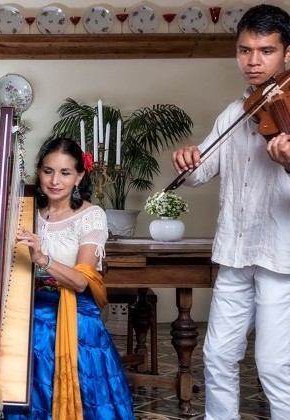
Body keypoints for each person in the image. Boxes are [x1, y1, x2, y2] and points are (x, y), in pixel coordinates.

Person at [0, 138, 133, 419]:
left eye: (65, 173)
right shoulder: (26, 212)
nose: (55, 180)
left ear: (79, 176)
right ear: (39, 173)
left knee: (38, 331)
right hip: (31, 298)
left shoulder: (91, 217)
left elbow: (82, 282)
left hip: (70, 303)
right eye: (48, 171)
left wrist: (43, 259)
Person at [170, 4, 290, 418]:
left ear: (287, 54)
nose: (253, 61)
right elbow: (201, 170)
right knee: (218, 356)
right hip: (234, 255)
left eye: (266, 50)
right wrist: (187, 159)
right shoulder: (235, 113)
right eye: (244, 50)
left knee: (274, 365)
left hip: (280, 258)